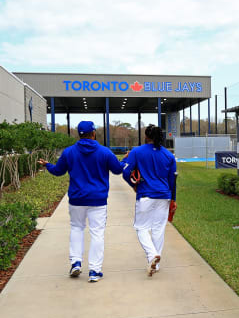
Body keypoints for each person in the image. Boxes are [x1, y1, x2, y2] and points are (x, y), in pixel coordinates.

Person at [38, 121, 123, 283]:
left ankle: (76, 262)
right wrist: (126, 162)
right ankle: (94, 270)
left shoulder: (69, 152)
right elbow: (118, 170)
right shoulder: (105, 152)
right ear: (93, 133)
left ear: (79, 134)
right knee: (97, 233)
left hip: (76, 199)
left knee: (77, 229)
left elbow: (58, 171)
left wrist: (47, 165)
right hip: (97, 200)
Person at [121, 124, 177, 276]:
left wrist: (134, 185)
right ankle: (155, 264)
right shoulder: (168, 155)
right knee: (158, 229)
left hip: (145, 194)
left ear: (146, 136)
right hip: (164, 196)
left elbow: (125, 171)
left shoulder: (137, 151)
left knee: (141, 228)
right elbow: (173, 179)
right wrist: (173, 199)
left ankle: (152, 255)